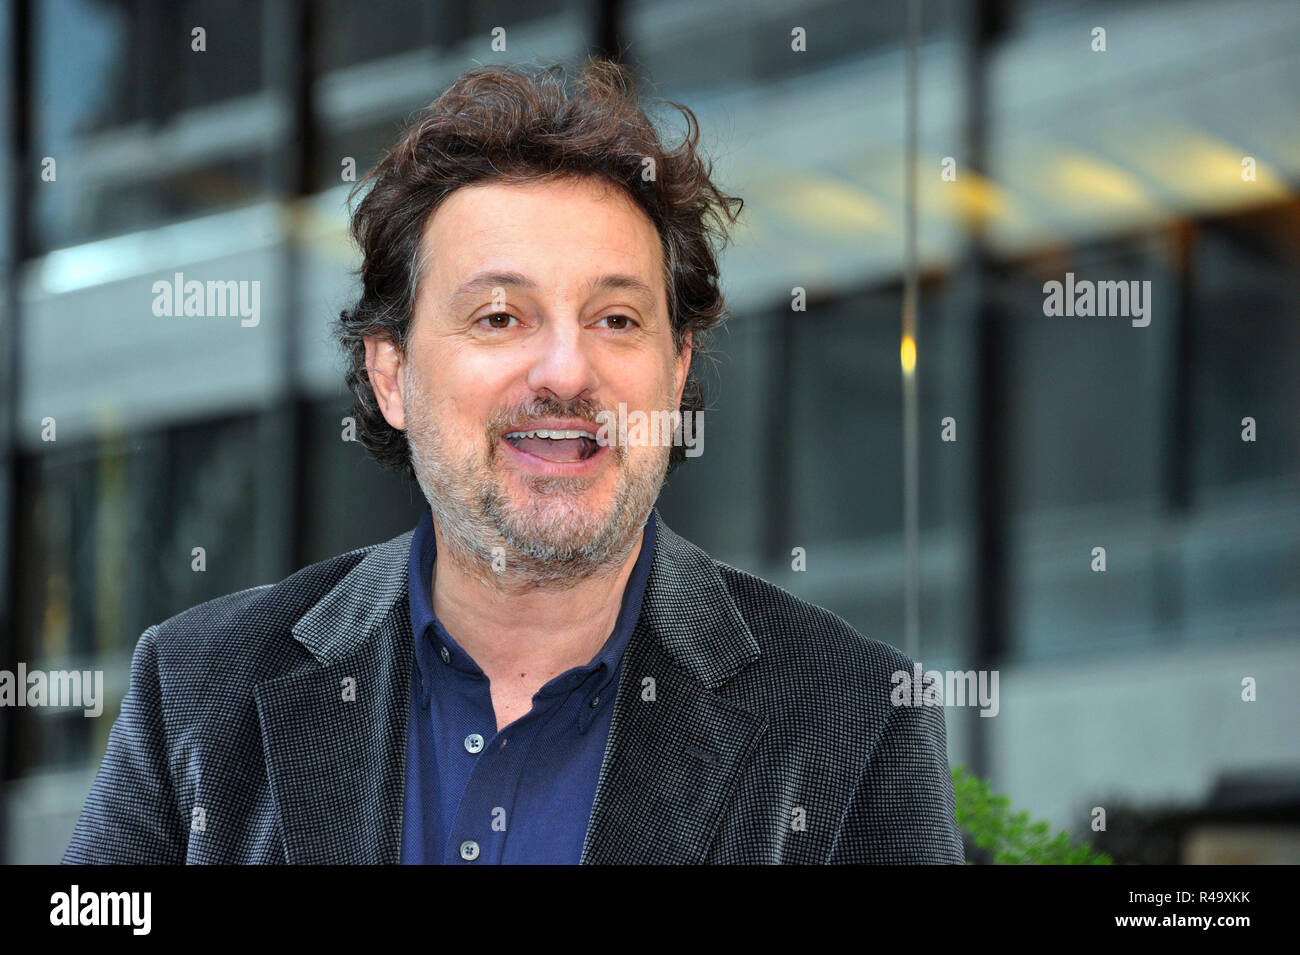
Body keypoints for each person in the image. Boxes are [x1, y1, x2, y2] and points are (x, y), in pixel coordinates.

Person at [64, 59, 963, 864]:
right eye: (500, 317)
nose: (567, 370)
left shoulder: (853, 720)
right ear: (392, 374)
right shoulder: (195, 691)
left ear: (676, 368)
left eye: (617, 320)